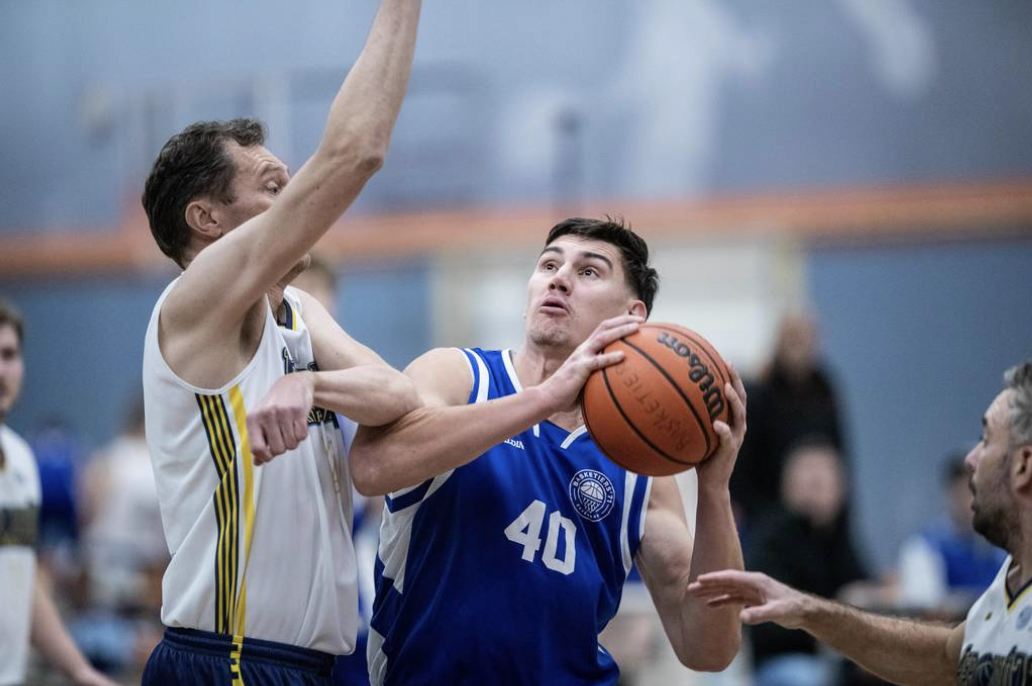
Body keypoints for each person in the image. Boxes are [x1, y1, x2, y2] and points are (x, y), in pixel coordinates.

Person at [138, 2, 422, 684]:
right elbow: (358, 151)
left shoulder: (295, 308)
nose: (298, 208)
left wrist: (314, 385)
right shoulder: (195, 306)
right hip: (229, 659)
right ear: (205, 217)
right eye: (274, 189)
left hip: (311, 663)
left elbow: (398, 393)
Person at [347, 217, 747, 684]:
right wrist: (543, 399)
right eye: (549, 264)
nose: (559, 278)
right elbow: (372, 468)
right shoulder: (459, 376)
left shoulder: (641, 470)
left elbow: (708, 648)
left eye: (589, 272)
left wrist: (715, 488)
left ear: (632, 318)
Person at [689, 361, 1032, 686]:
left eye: (986, 441)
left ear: (1023, 466)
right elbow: (944, 656)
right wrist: (810, 611)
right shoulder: (1009, 578)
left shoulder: (838, 536)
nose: (971, 460)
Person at [0, 298, 118, 686]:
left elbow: (20, 574)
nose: (2, 370)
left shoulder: (19, 458)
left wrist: (79, 670)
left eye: (9, 354)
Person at [745, 438, 871, 686]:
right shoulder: (772, 537)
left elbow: (860, 585)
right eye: (810, 476)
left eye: (827, 476)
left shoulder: (838, 536)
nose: (818, 484)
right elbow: (764, 625)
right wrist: (827, 621)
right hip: (784, 661)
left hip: (837, 658)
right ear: (786, 484)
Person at [731, 310, 847, 523]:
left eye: (804, 339)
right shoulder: (760, 392)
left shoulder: (825, 390)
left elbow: (840, 455)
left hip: (820, 517)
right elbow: (742, 464)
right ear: (780, 341)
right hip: (766, 514)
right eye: (793, 339)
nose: (799, 348)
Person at [897, 454, 1006, 615]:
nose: (971, 501)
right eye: (964, 491)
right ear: (950, 494)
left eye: (978, 490)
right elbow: (926, 610)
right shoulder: (923, 548)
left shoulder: (1003, 545)